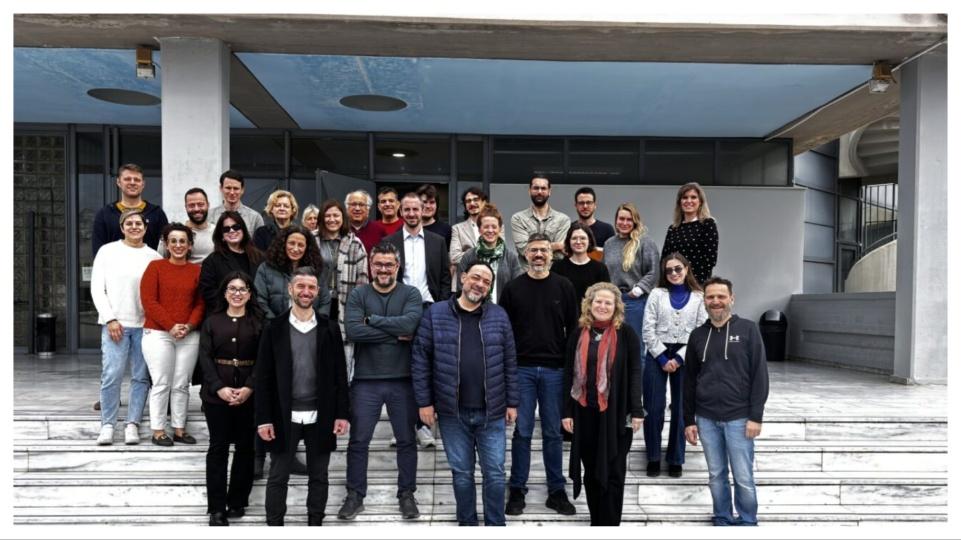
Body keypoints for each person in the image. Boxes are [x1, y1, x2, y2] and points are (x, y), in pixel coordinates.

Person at [412, 262, 518, 526]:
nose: (480, 284)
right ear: (462, 278)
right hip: (452, 412)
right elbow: (421, 359)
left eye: (486, 281)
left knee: (495, 473)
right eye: (476, 277)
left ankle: (495, 525)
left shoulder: (499, 315)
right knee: (462, 474)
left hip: (492, 411)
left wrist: (512, 402)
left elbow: (509, 360)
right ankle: (467, 524)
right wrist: (424, 402)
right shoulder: (435, 313)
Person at [256, 268, 350, 526]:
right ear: (290, 289)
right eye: (301, 286)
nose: (306, 292)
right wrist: (263, 419)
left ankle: (315, 523)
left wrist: (342, 414)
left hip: (321, 414)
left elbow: (340, 375)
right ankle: (275, 525)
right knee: (278, 476)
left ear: (318, 292)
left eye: (311, 287)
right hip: (283, 415)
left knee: (319, 476)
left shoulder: (330, 328)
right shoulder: (274, 328)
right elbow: (263, 378)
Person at [339, 242, 424, 521]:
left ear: (397, 266)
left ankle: (406, 494)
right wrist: (394, 334)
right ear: (370, 266)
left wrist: (372, 320)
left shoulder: (410, 293)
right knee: (358, 441)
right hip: (366, 380)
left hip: (403, 380)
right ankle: (355, 495)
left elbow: (410, 326)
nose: (384, 269)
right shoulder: (359, 294)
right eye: (378, 264)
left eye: (389, 264)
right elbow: (353, 331)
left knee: (406, 440)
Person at [499, 233, 579, 517]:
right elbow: (503, 331)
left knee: (553, 432)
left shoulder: (564, 286)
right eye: (533, 250)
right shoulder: (513, 288)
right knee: (521, 432)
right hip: (521, 369)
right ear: (525, 254)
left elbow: (574, 329)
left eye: (544, 250)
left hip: (555, 370)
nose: (539, 255)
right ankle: (517, 488)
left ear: (551, 255)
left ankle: (556, 491)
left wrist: (570, 370)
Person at [684, 277, 769, 526]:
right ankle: (722, 517)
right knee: (716, 474)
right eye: (710, 297)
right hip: (706, 418)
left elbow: (760, 376)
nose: (716, 301)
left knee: (743, 476)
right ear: (704, 301)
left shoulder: (749, 330)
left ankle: (747, 520)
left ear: (731, 298)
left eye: (721, 296)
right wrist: (688, 420)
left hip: (739, 418)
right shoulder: (697, 335)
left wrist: (756, 416)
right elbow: (688, 381)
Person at [562, 282, 644, 526]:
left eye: (608, 302)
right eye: (598, 301)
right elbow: (568, 374)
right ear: (589, 304)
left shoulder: (627, 334)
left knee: (614, 472)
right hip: (585, 413)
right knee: (591, 472)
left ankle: (610, 524)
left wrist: (637, 410)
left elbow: (635, 372)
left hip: (617, 414)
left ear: (616, 307)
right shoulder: (578, 334)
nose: (603, 306)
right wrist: (567, 411)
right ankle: (596, 522)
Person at [90, 209, 162, 445]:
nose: (134, 227)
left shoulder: (154, 257)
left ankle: (133, 424)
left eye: (138, 223)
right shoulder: (107, 252)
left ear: (145, 228)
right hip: (115, 325)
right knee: (112, 375)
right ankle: (108, 425)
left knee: (141, 377)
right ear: (122, 228)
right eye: (129, 223)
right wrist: (110, 318)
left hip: (145, 327)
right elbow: (97, 288)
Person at [198, 271, 263, 526]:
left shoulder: (258, 322)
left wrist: (249, 387)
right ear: (225, 293)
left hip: (249, 395)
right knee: (218, 448)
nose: (237, 293)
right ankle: (216, 508)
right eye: (232, 289)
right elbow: (204, 358)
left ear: (249, 294)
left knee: (245, 448)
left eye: (242, 289)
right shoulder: (212, 322)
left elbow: (263, 359)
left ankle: (237, 500)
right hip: (216, 397)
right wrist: (218, 388)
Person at [641, 253, 706, 478]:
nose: (674, 273)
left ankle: (676, 458)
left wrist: (678, 359)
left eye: (678, 269)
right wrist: (661, 358)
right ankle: (653, 456)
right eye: (669, 270)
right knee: (654, 406)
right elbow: (647, 328)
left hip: (686, 355)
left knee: (681, 408)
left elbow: (700, 330)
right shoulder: (657, 294)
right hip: (656, 353)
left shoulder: (699, 297)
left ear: (686, 269)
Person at [140, 223, 205, 447]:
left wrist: (189, 325)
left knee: (181, 384)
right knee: (161, 383)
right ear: (166, 245)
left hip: (188, 334)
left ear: (190, 245)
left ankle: (179, 429)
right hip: (158, 333)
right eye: (173, 241)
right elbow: (149, 301)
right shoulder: (155, 267)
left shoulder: (197, 271)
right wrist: (171, 326)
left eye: (183, 241)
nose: (178, 245)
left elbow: (200, 303)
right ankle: (158, 430)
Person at [317, 199, 369, 382]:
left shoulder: (355, 243)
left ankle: (342, 389)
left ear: (343, 218)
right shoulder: (312, 240)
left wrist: (359, 309)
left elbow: (363, 279)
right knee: (317, 347)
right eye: (328, 215)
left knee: (343, 350)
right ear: (321, 218)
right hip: (318, 303)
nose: (332, 219)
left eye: (336, 215)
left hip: (345, 304)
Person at [602, 203, 659, 358]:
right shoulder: (609, 244)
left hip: (635, 301)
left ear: (635, 221)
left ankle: (637, 376)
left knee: (635, 347)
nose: (625, 223)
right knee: (613, 348)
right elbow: (604, 271)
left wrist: (638, 290)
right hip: (612, 302)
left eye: (629, 219)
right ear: (616, 220)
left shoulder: (644, 242)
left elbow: (654, 271)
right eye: (621, 219)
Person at [385, 193, 452, 307]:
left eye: (415, 209)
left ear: (422, 210)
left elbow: (445, 277)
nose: (411, 214)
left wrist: (440, 305)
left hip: (430, 307)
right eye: (407, 209)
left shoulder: (438, 242)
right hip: (399, 308)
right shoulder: (389, 242)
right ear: (401, 212)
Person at [254, 225, 331, 320]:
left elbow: (325, 301)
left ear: (307, 247)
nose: (295, 249)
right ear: (283, 244)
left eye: (301, 245)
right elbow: (260, 300)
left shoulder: (316, 269)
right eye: (291, 243)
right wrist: (274, 323)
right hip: (274, 325)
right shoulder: (266, 268)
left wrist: (317, 323)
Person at [92, 163, 168, 256]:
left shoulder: (156, 214)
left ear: (143, 184)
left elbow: (165, 249)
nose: (132, 182)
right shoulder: (105, 214)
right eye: (127, 179)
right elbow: (98, 252)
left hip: (150, 264)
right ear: (118, 182)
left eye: (137, 180)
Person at [198, 211, 264, 312]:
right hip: (225, 314)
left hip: (256, 314)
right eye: (226, 229)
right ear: (221, 235)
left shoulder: (260, 257)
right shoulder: (212, 261)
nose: (232, 231)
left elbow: (265, 289)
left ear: (243, 229)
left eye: (236, 227)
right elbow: (208, 292)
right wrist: (235, 305)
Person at [456, 204, 523, 304]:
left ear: (500, 229)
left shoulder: (511, 258)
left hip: (502, 310)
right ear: (479, 230)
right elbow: (461, 286)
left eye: (494, 227)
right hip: (473, 309)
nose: (490, 230)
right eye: (486, 227)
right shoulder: (469, 256)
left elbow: (517, 289)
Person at [662, 182, 719, 285]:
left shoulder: (708, 224)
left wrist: (691, 282)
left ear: (700, 201)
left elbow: (710, 260)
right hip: (674, 284)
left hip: (697, 284)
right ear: (679, 202)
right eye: (685, 197)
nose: (689, 201)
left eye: (693, 197)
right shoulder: (673, 228)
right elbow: (665, 259)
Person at [510, 176, 570, 268]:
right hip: (526, 274)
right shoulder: (518, 219)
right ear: (529, 191)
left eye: (543, 188)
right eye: (536, 188)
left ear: (549, 191)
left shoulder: (563, 220)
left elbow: (559, 255)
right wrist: (557, 245)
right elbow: (524, 250)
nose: (539, 192)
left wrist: (532, 248)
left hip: (553, 273)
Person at [551, 222, 611, 303]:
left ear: (589, 241)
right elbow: (553, 296)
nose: (578, 242)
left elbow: (606, 297)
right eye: (574, 238)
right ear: (568, 241)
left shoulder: (600, 269)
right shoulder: (557, 267)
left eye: (583, 238)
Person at [159, 188, 214, 263]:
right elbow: (160, 260)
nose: (196, 209)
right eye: (191, 205)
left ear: (208, 205)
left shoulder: (218, 232)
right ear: (186, 207)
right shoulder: (173, 233)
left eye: (200, 204)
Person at [208, 169, 265, 234]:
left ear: (242, 190)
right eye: (228, 188)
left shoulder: (255, 218)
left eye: (236, 188)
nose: (232, 192)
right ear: (221, 188)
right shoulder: (209, 216)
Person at [449, 187, 488, 268]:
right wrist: (484, 253)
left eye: (476, 199)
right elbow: (454, 257)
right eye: (468, 201)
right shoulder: (457, 229)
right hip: (466, 274)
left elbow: (499, 252)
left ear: (484, 202)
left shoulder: (496, 227)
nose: (472, 203)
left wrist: (468, 253)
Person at [573, 187, 615, 258]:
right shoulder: (569, 228)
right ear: (576, 206)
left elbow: (612, 256)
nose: (585, 206)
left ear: (595, 205)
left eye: (589, 202)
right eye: (581, 203)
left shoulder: (607, 229)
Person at [345, 189, 387, 255]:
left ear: (368, 209)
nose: (357, 208)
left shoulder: (379, 230)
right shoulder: (341, 229)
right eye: (353, 204)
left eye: (361, 205)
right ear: (347, 208)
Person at [417, 184, 452, 249]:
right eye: (424, 202)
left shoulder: (447, 230)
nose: (428, 206)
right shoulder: (408, 228)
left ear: (437, 205)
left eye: (432, 202)